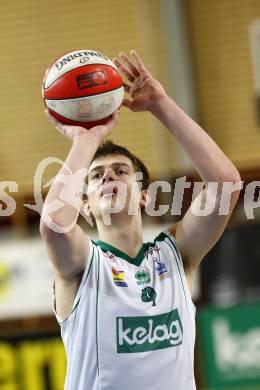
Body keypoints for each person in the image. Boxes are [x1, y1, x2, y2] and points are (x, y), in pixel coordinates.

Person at [40, 50, 241, 390]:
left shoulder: (175, 254)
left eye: (120, 172)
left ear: (144, 196)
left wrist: (162, 105)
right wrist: (87, 140)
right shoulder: (81, 264)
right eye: (97, 176)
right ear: (85, 205)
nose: (108, 179)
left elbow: (227, 185)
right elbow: (54, 224)